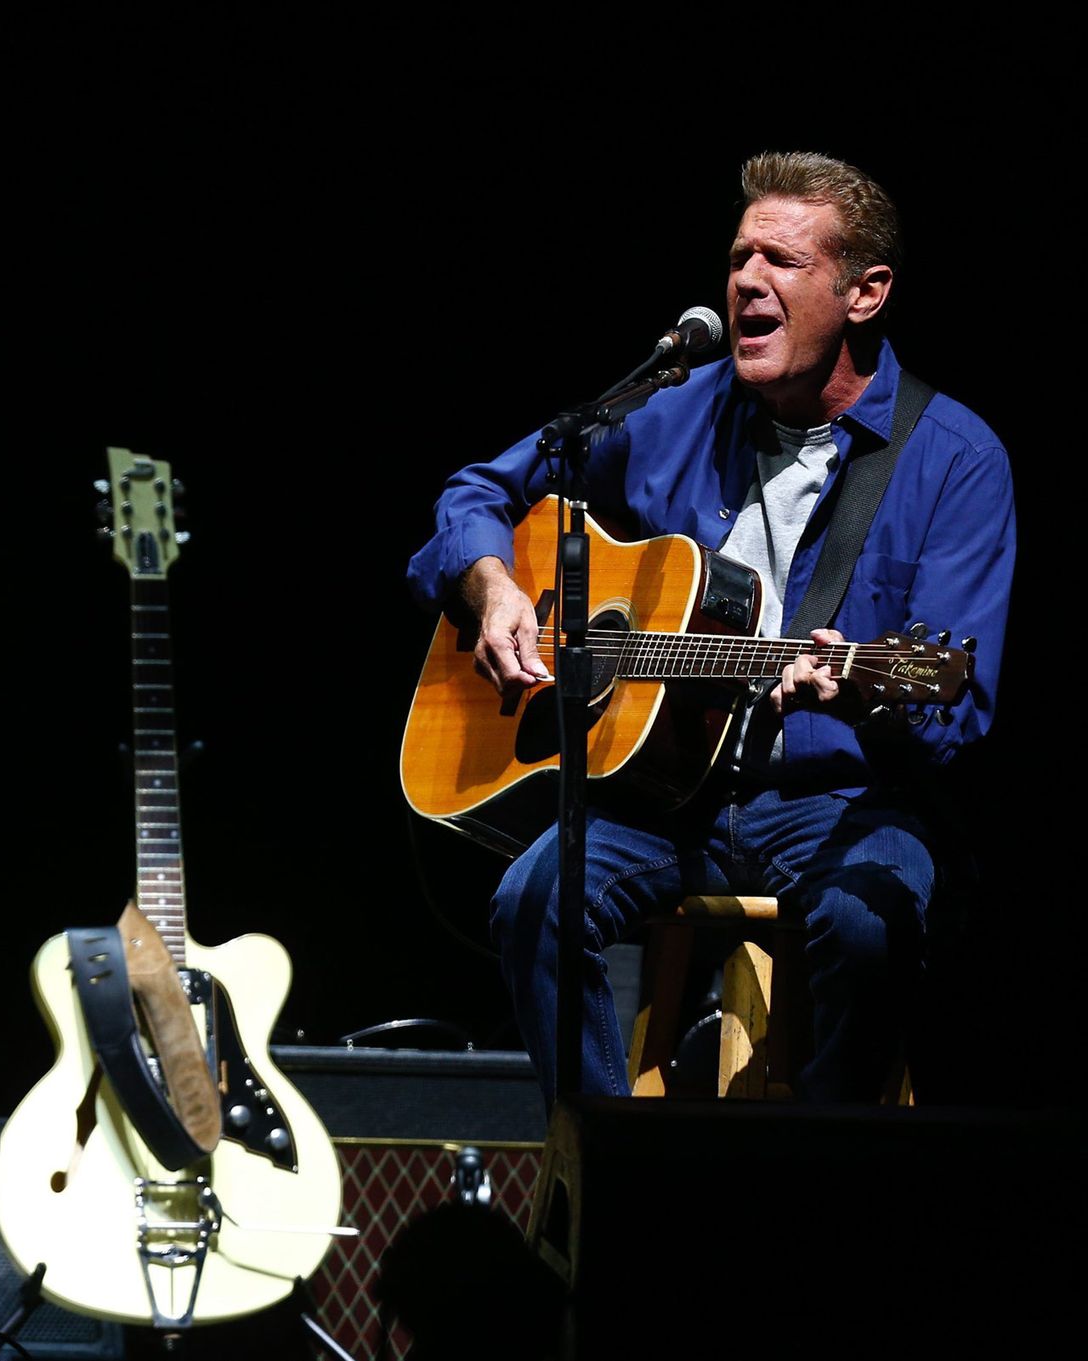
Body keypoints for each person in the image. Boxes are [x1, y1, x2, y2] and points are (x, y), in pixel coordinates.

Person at [405, 151, 1014, 1108]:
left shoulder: (955, 460)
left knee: (869, 926)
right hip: (665, 798)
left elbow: (957, 708)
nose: (745, 282)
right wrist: (492, 590)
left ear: (866, 293)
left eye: (781, 260)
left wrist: (861, 688)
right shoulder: (670, 410)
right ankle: (616, 1172)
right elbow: (479, 491)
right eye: (739, 258)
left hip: (839, 795)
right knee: (532, 902)